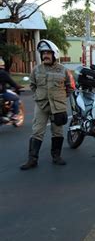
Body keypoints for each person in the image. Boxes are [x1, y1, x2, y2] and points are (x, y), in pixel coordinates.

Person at [20, 39, 73, 170]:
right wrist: (38, 97)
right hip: (41, 106)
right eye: (43, 53)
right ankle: (32, 159)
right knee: (37, 131)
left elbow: (70, 87)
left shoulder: (64, 71)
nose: (45, 56)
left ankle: (56, 157)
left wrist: (60, 98)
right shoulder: (36, 70)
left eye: (48, 53)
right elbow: (32, 85)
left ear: (54, 54)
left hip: (58, 107)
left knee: (57, 132)